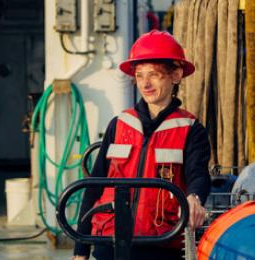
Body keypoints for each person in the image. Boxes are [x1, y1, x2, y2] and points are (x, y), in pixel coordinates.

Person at [72, 30, 211, 260]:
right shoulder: (118, 125)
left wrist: (194, 198)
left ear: (176, 75)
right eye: (139, 76)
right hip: (109, 242)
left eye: (154, 75)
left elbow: (198, 175)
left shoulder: (191, 129)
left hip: (160, 246)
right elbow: (94, 187)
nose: (145, 84)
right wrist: (81, 250)